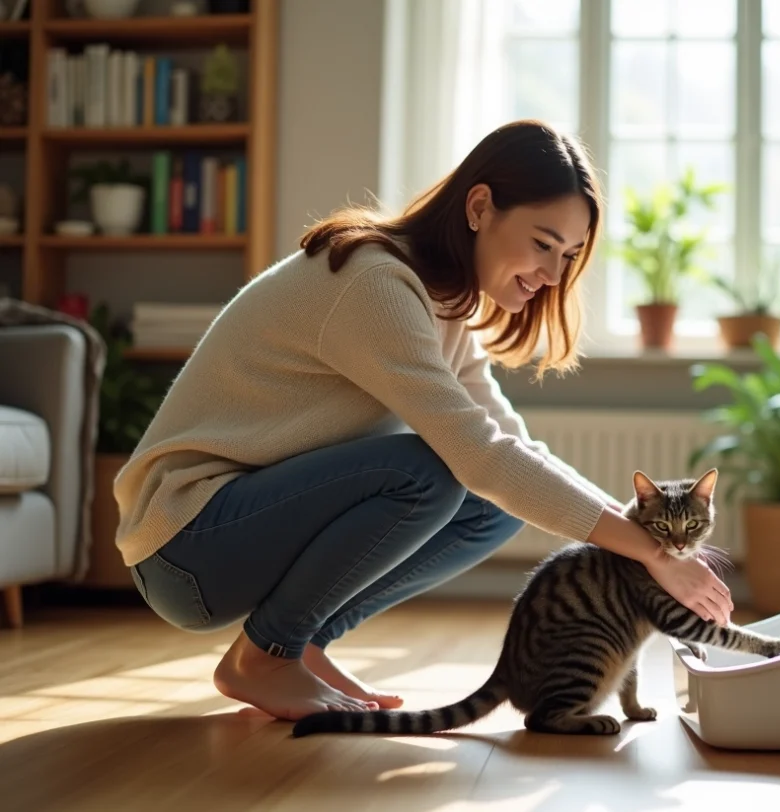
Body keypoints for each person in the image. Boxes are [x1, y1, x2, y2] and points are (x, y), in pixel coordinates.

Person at [113, 119, 734, 723]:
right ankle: (265, 655)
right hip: (186, 544)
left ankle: (299, 642)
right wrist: (653, 555)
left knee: (495, 504)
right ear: (480, 207)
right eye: (543, 244)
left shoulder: (445, 307)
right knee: (428, 472)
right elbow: (481, 455)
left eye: (568, 256)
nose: (553, 276)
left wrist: (646, 544)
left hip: (235, 533)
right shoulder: (374, 283)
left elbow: (514, 449)